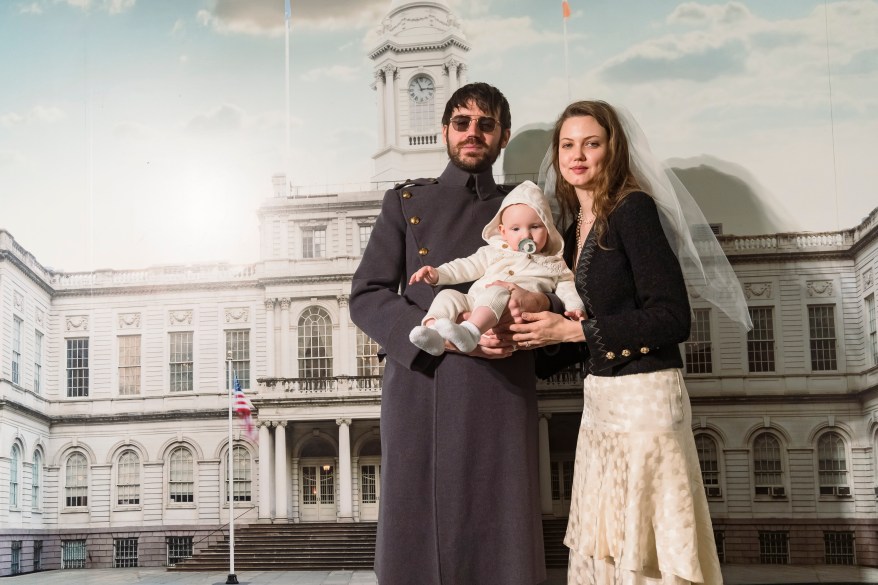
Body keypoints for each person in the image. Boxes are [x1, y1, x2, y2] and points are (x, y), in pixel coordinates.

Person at [507, 100, 749, 585]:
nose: (578, 155)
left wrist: (575, 330)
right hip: (603, 401)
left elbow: (672, 318)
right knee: (609, 544)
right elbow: (592, 317)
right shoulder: (575, 226)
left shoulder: (633, 209)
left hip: (647, 402)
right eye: (567, 145)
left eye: (591, 144)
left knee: (647, 549)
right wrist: (535, 328)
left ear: (611, 150)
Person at [350, 83, 557, 585]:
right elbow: (367, 294)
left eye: (486, 125)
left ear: (503, 136)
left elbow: (556, 283)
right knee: (418, 539)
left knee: (501, 532)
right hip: (423, 384)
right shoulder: (404, 202)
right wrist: (423, 334)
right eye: (462, 123)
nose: (472, 133)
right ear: (445, 130)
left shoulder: (527, 209)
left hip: (502, 383)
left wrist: (528, 320)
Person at [408, 180, 585, 356]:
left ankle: (471, 332)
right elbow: (466, 265)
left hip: (508, 312)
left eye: (535, 227)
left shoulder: (553, 264)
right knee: (448, 295)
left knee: (498, 291)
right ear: (503, 231)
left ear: (548, 229)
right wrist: (438, 274)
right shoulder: (494, 252)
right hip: (475, 302)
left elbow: (568, 288)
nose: (526, 235)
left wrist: (576, 309)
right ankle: (432, 331)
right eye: (515, 229)